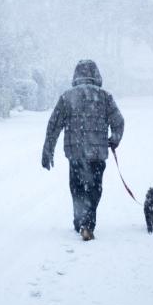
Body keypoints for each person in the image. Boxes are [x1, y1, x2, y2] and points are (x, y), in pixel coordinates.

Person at [41, 60, 124, 241]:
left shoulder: (67, 97)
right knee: (95, 188)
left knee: (77, 187)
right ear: (96, 75)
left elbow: (54, 125)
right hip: (97, 154)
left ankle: (80, 220)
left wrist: (48, 150)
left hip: (76, 153)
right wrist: (114, 140)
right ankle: (87, 223)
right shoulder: (104, 97)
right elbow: (118, 122)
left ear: (76, 75)